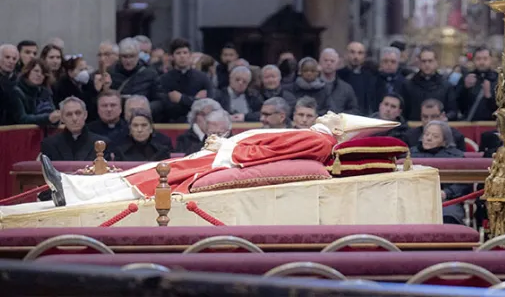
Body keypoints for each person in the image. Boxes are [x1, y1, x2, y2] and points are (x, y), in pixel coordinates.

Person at [39, 112, 399, 207]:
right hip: (223, 155)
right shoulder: (315, 136)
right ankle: (73, 186)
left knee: (150, 178)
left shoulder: (316, 140)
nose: (330, 112)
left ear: (338, 129)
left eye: (335, 115)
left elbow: (265, 152)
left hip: (223, 162)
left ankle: (73, 191)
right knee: (146, 172)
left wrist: (224, 149)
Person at [409, 121, 471, 225]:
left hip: (446, 201)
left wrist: (447, 193)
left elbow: (464, 183)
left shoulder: (456, 157)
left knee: (449, 215)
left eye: (435, 136)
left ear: (444, 141)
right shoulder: (410, 155)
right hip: (415, 200)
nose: (428, 138)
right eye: (426, 134)